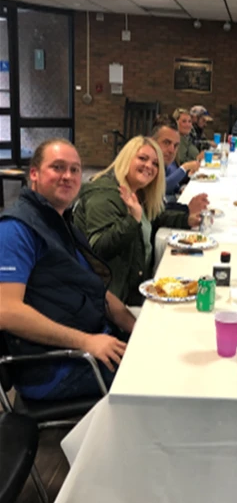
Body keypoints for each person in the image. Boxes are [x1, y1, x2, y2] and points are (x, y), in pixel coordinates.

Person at [0, 138, 136, 400]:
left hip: (89, 341)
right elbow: (6, 311)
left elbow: (95, 289)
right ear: (34, 174)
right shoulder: (15, 229)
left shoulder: (57, 222)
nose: (68, 176)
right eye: (58, 167)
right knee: (159, 378)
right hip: (54, 368)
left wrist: (136, 326)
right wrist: (87, 342)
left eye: (75, 169)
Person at [74, 136, 201, 306]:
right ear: (126, 158)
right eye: (142, 158)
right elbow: (98, 248)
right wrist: (132, 220)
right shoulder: (104, 194)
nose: (149, 166)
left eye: (155, 164)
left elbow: (155, 216)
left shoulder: (137, 191)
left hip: (136, 287)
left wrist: (186, 220)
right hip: (114, 300)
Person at [151, 118, 205, 203]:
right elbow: (161, 188)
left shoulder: (167, 160)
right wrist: (185, 168)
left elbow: (172, 182)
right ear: (152, 141)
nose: (172, 150)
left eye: (176, 145)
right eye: (166, 142)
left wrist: (180, 189)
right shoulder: (147, 165)